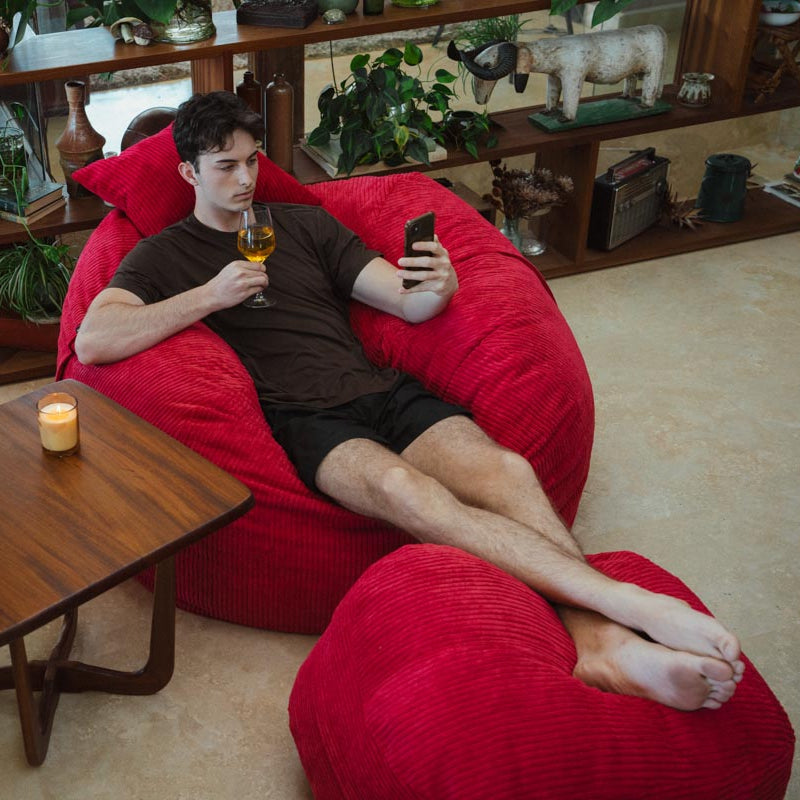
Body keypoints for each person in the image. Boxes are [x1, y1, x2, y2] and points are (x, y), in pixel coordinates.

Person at [76, 91, 744, 711]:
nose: (245, 180)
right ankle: (627, 606)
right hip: (307, 421)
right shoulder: (162, 256)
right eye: (225, 166)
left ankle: (600, 641)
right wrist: (210, 297)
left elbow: (402, 298)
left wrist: (438, 285)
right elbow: (94, 339)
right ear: (189, 172)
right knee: (408, 492)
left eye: (252, 161)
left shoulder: (306, 225)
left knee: (507, 472)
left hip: (380, 389)